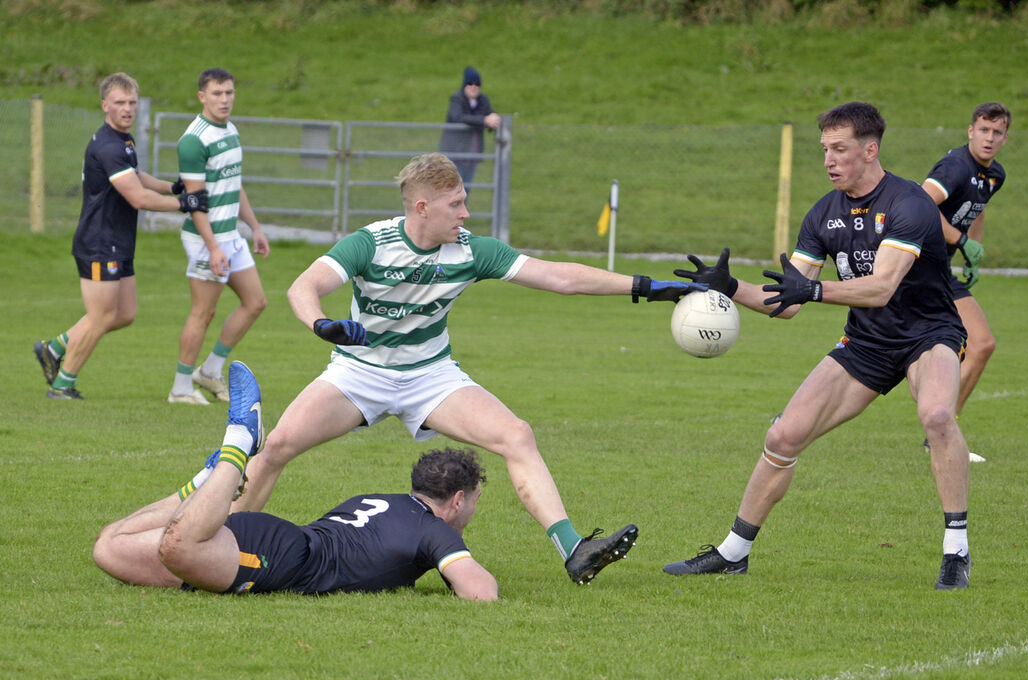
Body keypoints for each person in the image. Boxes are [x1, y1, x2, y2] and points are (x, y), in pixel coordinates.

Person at [230, 152, 705, 585]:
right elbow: (303, 286)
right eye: (455, 205)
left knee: (516, 435)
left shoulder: (472, 251)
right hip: (359, 374)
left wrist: (646, 286)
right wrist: (322, 324)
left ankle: (575, 550)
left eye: (465, 202)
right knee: (275, 448)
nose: (465, 214)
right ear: (421, 208)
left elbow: (560, 277)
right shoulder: (370, 244)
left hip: (430, 376)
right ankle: (222, 544)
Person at [665, 102, 974, 589]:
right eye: (824, 150)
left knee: (937, 416)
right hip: (867, 344)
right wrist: (730, 288)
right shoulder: (824, 215)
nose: (829, 160)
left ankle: (956, 550)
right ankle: (733, 552)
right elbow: (788, 302)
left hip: (928, 334)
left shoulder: (909, 204)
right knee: (782, 437)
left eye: (840, 149)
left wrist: (814, 290)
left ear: (870, 150)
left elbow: (880, 287)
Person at [92, 361, 498, 601]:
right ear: (458, 500)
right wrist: (451, 564)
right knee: (177, 546)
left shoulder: (379, 500)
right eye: (477, 501)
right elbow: (480, 592)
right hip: (280, 559)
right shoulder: (434, 531)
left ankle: (204, 479)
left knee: (109, 548)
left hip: (266, 536)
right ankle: (238, 445)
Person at [33, 72, 209, 401]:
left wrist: (170, 187)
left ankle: (54, 348)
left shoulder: (123, 141)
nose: (127, 108)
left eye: (132, 102)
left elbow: (137, 177)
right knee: (100, 317)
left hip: (118, 241)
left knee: (124, 314)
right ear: (105, 106)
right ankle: (63, 385)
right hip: (100, 243)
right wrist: (183, 203)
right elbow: (138, 198)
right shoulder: (110, 145)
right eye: (119, 103)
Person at [167, 68, 270, 405]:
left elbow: (232, 183)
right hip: (205, 238)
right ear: (202, 97)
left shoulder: (230, 129)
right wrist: (212, 247)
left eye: (229, 93)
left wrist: (254, 227)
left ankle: (210, 370)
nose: (224, 100)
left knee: (255, 302)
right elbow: (195, 201)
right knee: (203, 313)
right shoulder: (194, 140)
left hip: (231, 235)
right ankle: (181, 388)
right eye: (217, 94)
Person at [920, 102, 1011, 461]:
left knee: (979, 345)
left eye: (997, 132)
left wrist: (975, 249)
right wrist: (961, 241)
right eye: (984, 130)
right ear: (970, 131)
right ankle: (942, 433)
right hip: (918, 268)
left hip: (940, 270)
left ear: (1005, 138)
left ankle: (940, 432)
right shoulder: (955, 167)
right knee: (978, 344)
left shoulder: (994, 175)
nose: (989, 138)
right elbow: (921, 204)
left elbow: (978, 206)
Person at [438, 66, 500, 199]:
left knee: (465, 192)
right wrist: (484, 120)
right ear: (464, 85)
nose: (474, 86)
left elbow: (489, 115)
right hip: (455, 155)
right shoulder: (457, 99)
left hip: (471, 156)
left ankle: (459, 219)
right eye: (470, 83)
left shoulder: (483, 100)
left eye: (477, 84)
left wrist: (494, 121)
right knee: (452, 191)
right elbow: (459, 117)